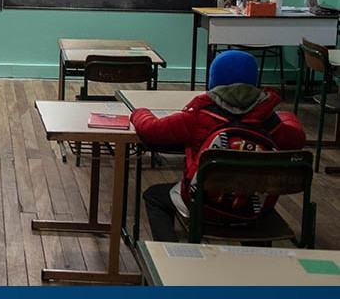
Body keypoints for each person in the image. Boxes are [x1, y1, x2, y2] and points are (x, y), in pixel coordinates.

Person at [130, 50, 305, 242]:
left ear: (213, 81)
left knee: (154, 196)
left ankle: (168, 253)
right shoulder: (270, 123)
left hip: (203, 206)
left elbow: (151, 130)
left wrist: (139, 111)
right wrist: (285, 116)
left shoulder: (199, 117)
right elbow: (297, 139)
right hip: (254, 208)